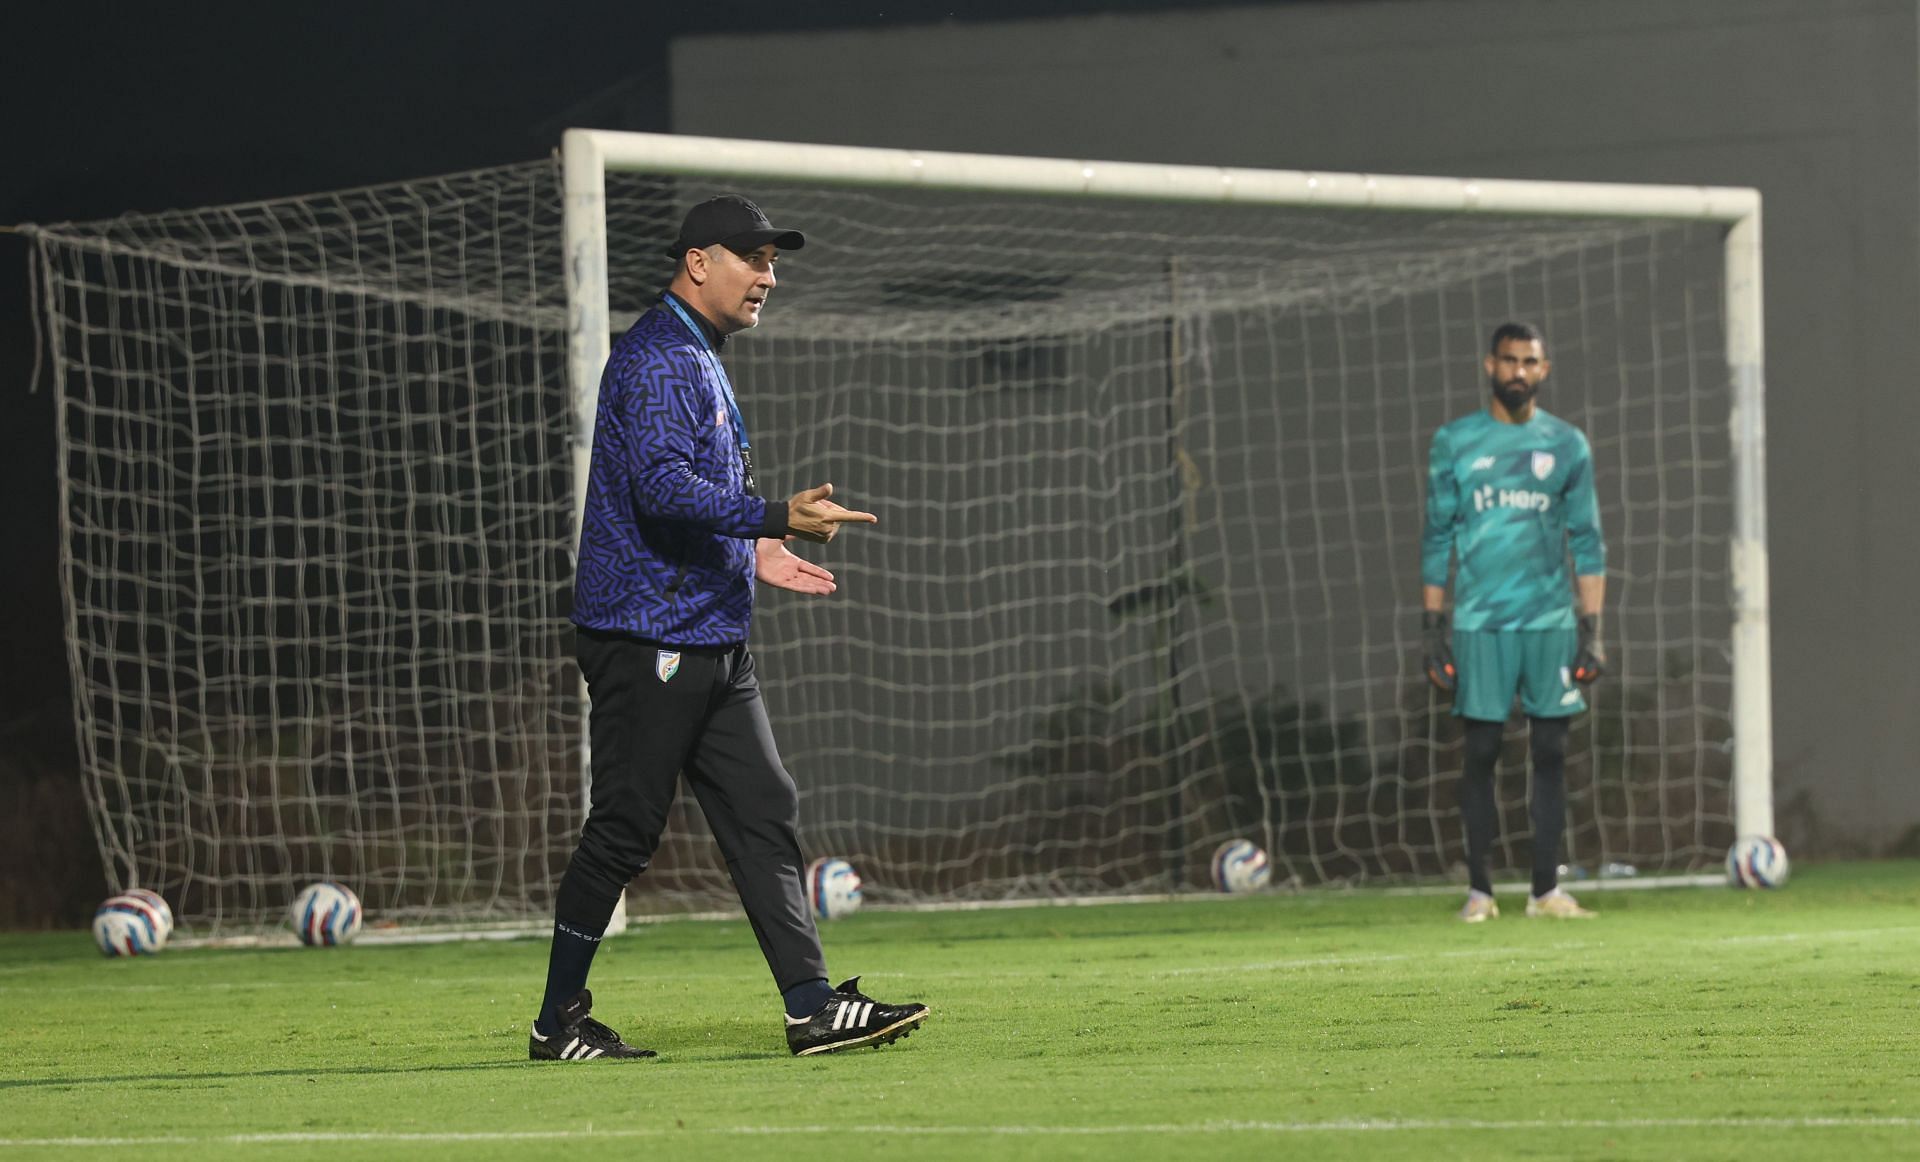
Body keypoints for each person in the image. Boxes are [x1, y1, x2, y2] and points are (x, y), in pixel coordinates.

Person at [529, 194, 930, 1060]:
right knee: (626, 828)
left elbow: (679, 496)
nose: (767, 277)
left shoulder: (697, 353)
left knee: (764, 808)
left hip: (707, 627)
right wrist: (774, 519)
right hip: (651, 633)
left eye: (774, 263)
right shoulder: (663, 357)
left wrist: (751, 556)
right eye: (752, 259)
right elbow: (662, 491)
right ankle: (555, 1023)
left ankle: (811, 1005)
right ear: (698, 262)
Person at [1419, 322, 1607, 923]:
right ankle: (1480, 892)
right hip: (1479, 623)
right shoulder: (1455, 442)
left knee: (1551, 750)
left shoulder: (1567, 444)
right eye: (1509, 361)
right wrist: (1432, 626)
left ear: (1544, 370)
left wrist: (1592, 628)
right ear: (1489, 366)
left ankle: (1544, 891)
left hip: (1549, 621)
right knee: (1481, 751)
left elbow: (1588, 540)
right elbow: (1436, 536)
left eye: (1530, 361)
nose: (1519, 371)